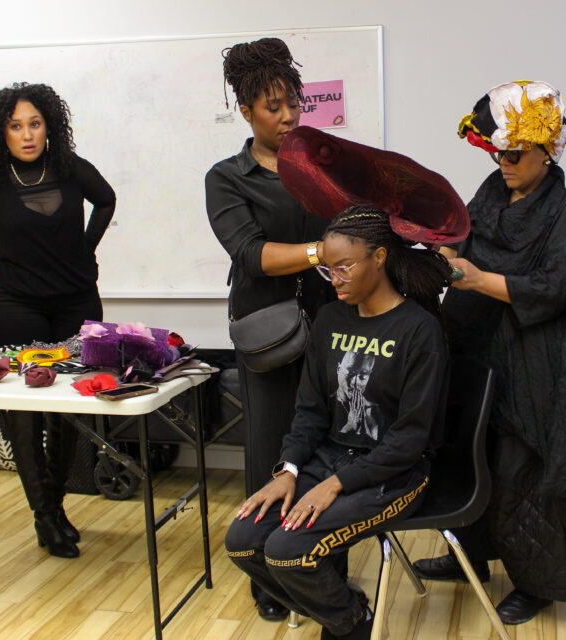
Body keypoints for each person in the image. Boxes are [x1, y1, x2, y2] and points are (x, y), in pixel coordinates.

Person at [413, 81, 566, 624]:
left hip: (537, 364)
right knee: (471, 454)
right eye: (495, 152)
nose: (502, 163)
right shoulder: (488, 194)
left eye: (512, 154)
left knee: (522, 470)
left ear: (545, 152)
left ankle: (538, 582)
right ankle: (471, 557)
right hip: (480, 353)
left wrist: (480, 280)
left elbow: (552, 288)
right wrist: (445, 252)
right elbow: (464, 242)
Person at [224, 206, 451, 640]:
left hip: (396, 472)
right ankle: (348, 615)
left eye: (344, 267)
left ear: (380, 258)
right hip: (330, 458)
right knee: (243, 542)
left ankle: (349, 626)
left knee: (288, 550)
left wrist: (334, 485)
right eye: (328, 271)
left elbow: (410, 439)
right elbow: (309, 410)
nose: (336, 279)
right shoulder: (329, 321)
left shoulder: (419, 331)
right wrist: (288, 470)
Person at [0, 82, 116, 558]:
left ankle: (53, 504)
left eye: (35, 123)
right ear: (1, 133)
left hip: (76, 305)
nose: (27, 135)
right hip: (16, 307)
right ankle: (44, 516)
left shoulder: (70, 169)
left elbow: (107, 199)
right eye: (16, 126)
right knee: (24, 412)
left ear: (48, 125)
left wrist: (84, 249)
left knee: (70, 408)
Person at [204, 36, 335, 621]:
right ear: (246, 111)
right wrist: (324, 249)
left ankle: (319, 565)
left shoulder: (317, 164)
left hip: (331, 326)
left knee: (326, 447)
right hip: (270, 334)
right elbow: (251, 254)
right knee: (271, 449)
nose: (286, 117)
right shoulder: (227, 178)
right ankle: (267, 578)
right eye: (272, 107)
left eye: (293, 104)